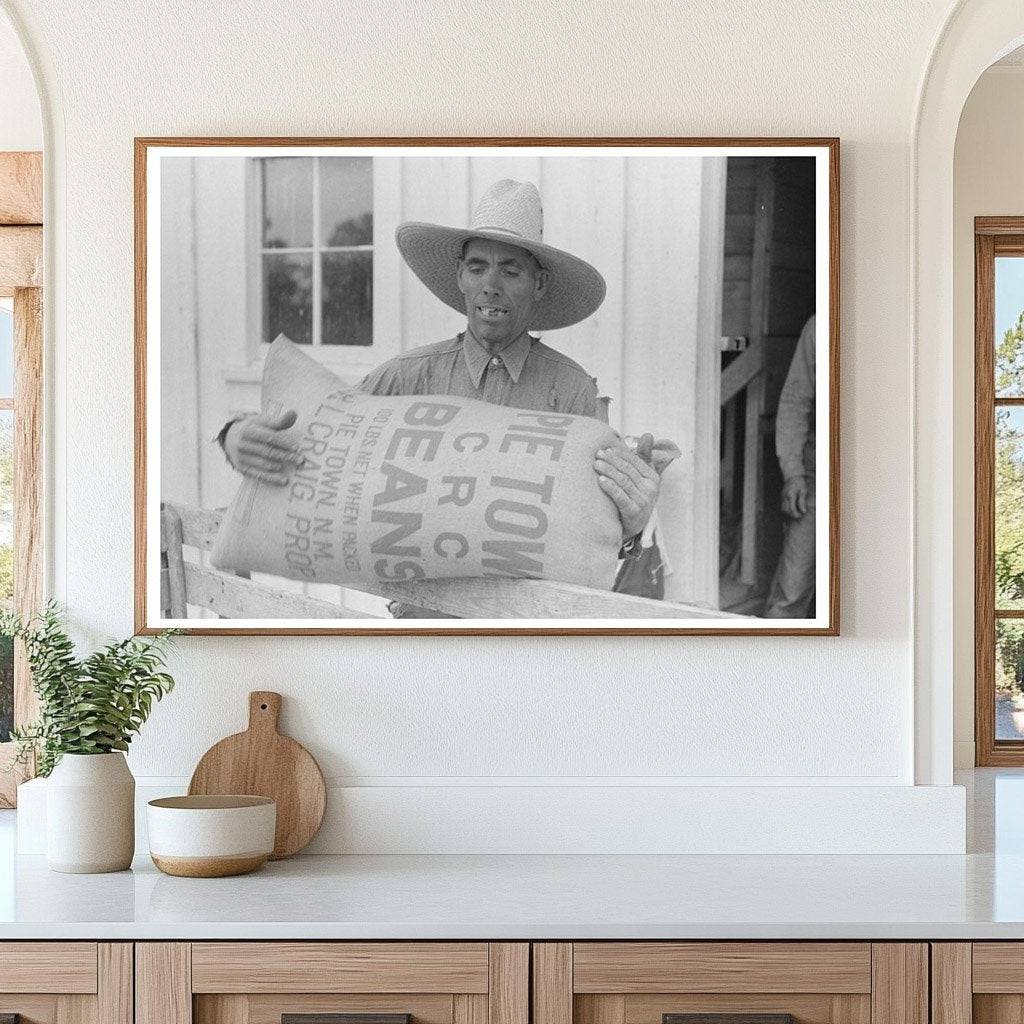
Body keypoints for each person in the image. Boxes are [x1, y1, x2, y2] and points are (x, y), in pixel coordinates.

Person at [219, 179, 668, 613]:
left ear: (540, 285)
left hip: (525, 630)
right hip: (424, 621)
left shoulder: (570, 389)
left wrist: (631, 522)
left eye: (511, 271)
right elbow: (318, 440)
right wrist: (236, 436)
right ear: (460, 277)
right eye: (478, 267)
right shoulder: (406, 376)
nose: (492, 285)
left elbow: (591, 534)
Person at [764, 314, 816, 618]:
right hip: (817, 475)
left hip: (881, 476)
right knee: (791, 587)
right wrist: (793, 473)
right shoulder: (819, 326)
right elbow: (795, 400)